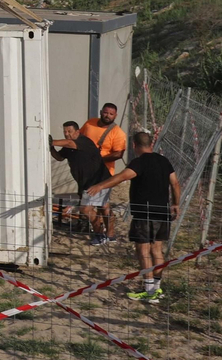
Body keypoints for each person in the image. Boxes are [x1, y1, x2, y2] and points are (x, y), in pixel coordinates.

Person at [84, 131, 179, 302]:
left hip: (144, 213)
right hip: (162, 212)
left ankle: (149, 291)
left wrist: (99, 186)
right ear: (152, 143)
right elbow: (175, 183)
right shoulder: (164, 161)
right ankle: (156, 288)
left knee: (143, 250)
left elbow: (121, 177)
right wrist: (176, 204)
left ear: (134, 145)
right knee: (157, 249)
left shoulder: (139, 162)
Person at [48, 120, 110, 241]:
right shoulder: (68, 146)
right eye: (65, 131)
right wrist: (51, 148)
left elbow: (70, 143)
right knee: (97, 208)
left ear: (77, 131)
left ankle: (101, 234)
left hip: (99, 180)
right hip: (85, 183)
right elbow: (60, 157)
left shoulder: (83, 141)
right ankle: (104, 234)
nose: (67, 134)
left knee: (89, 209)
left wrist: (52, 141)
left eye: (69, 131)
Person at [78, 102, 126, 242]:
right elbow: (79, 137)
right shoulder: (90, 123)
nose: (108, 116)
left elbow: (118, 154)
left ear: (115, 115)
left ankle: (100, 233)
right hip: (87, 172)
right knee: (103, 205)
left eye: (111, 114)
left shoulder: (118, 133)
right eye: (105, 112)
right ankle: (110, 234)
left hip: (103, 174)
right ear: (101, 112)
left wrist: (98, 159)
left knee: (88, 208)